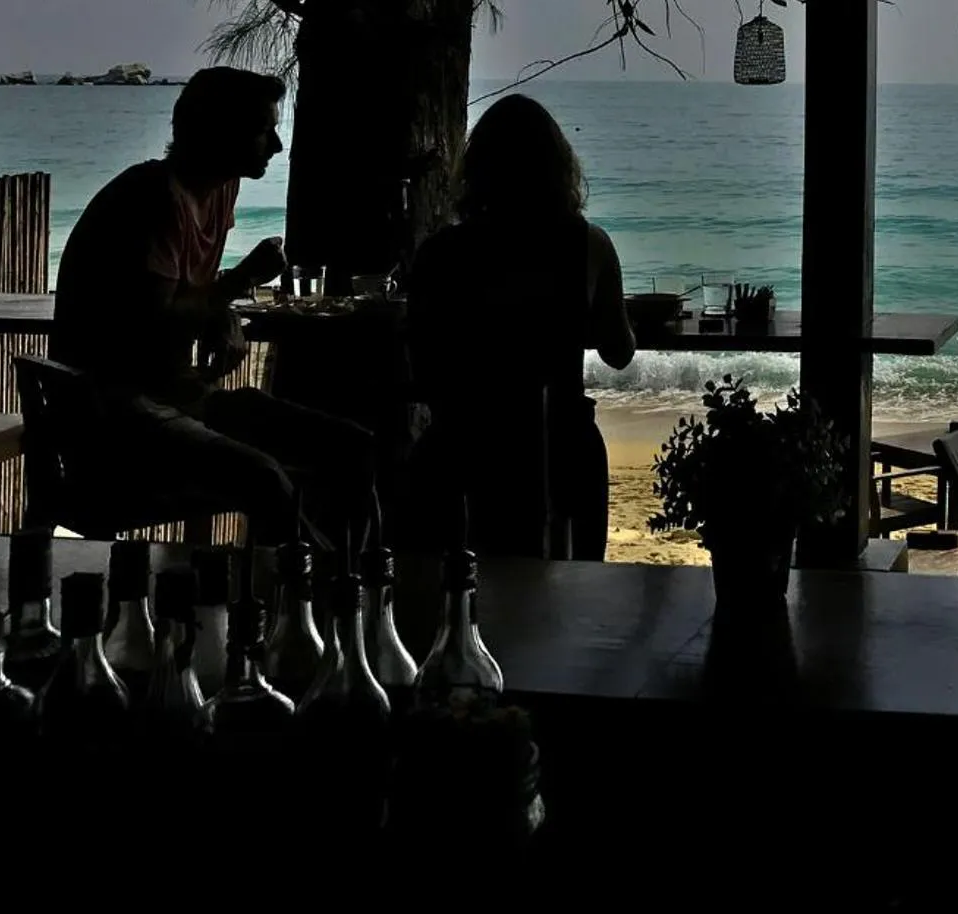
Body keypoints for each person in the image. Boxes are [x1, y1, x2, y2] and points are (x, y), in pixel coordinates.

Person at [49, 67, 375, 544]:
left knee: (353, 448)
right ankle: (313, 596)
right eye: (265, 130)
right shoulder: (152, 199)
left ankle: (337, 584)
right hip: (114, 415)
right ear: (221, 132)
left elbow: (186, 294)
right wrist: (241, 281)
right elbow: (153, 322)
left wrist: (221, 312)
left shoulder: (221, 191)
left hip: (178, 397)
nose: (278, 145)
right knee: (263, 478)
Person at [406, 94, 635, 558]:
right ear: (559, 169)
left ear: (477, 170)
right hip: (561, 444)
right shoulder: (588, 243)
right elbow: (618, 351)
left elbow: (424, 371)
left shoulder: (440, 252)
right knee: (579, 589)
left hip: (464, 447)